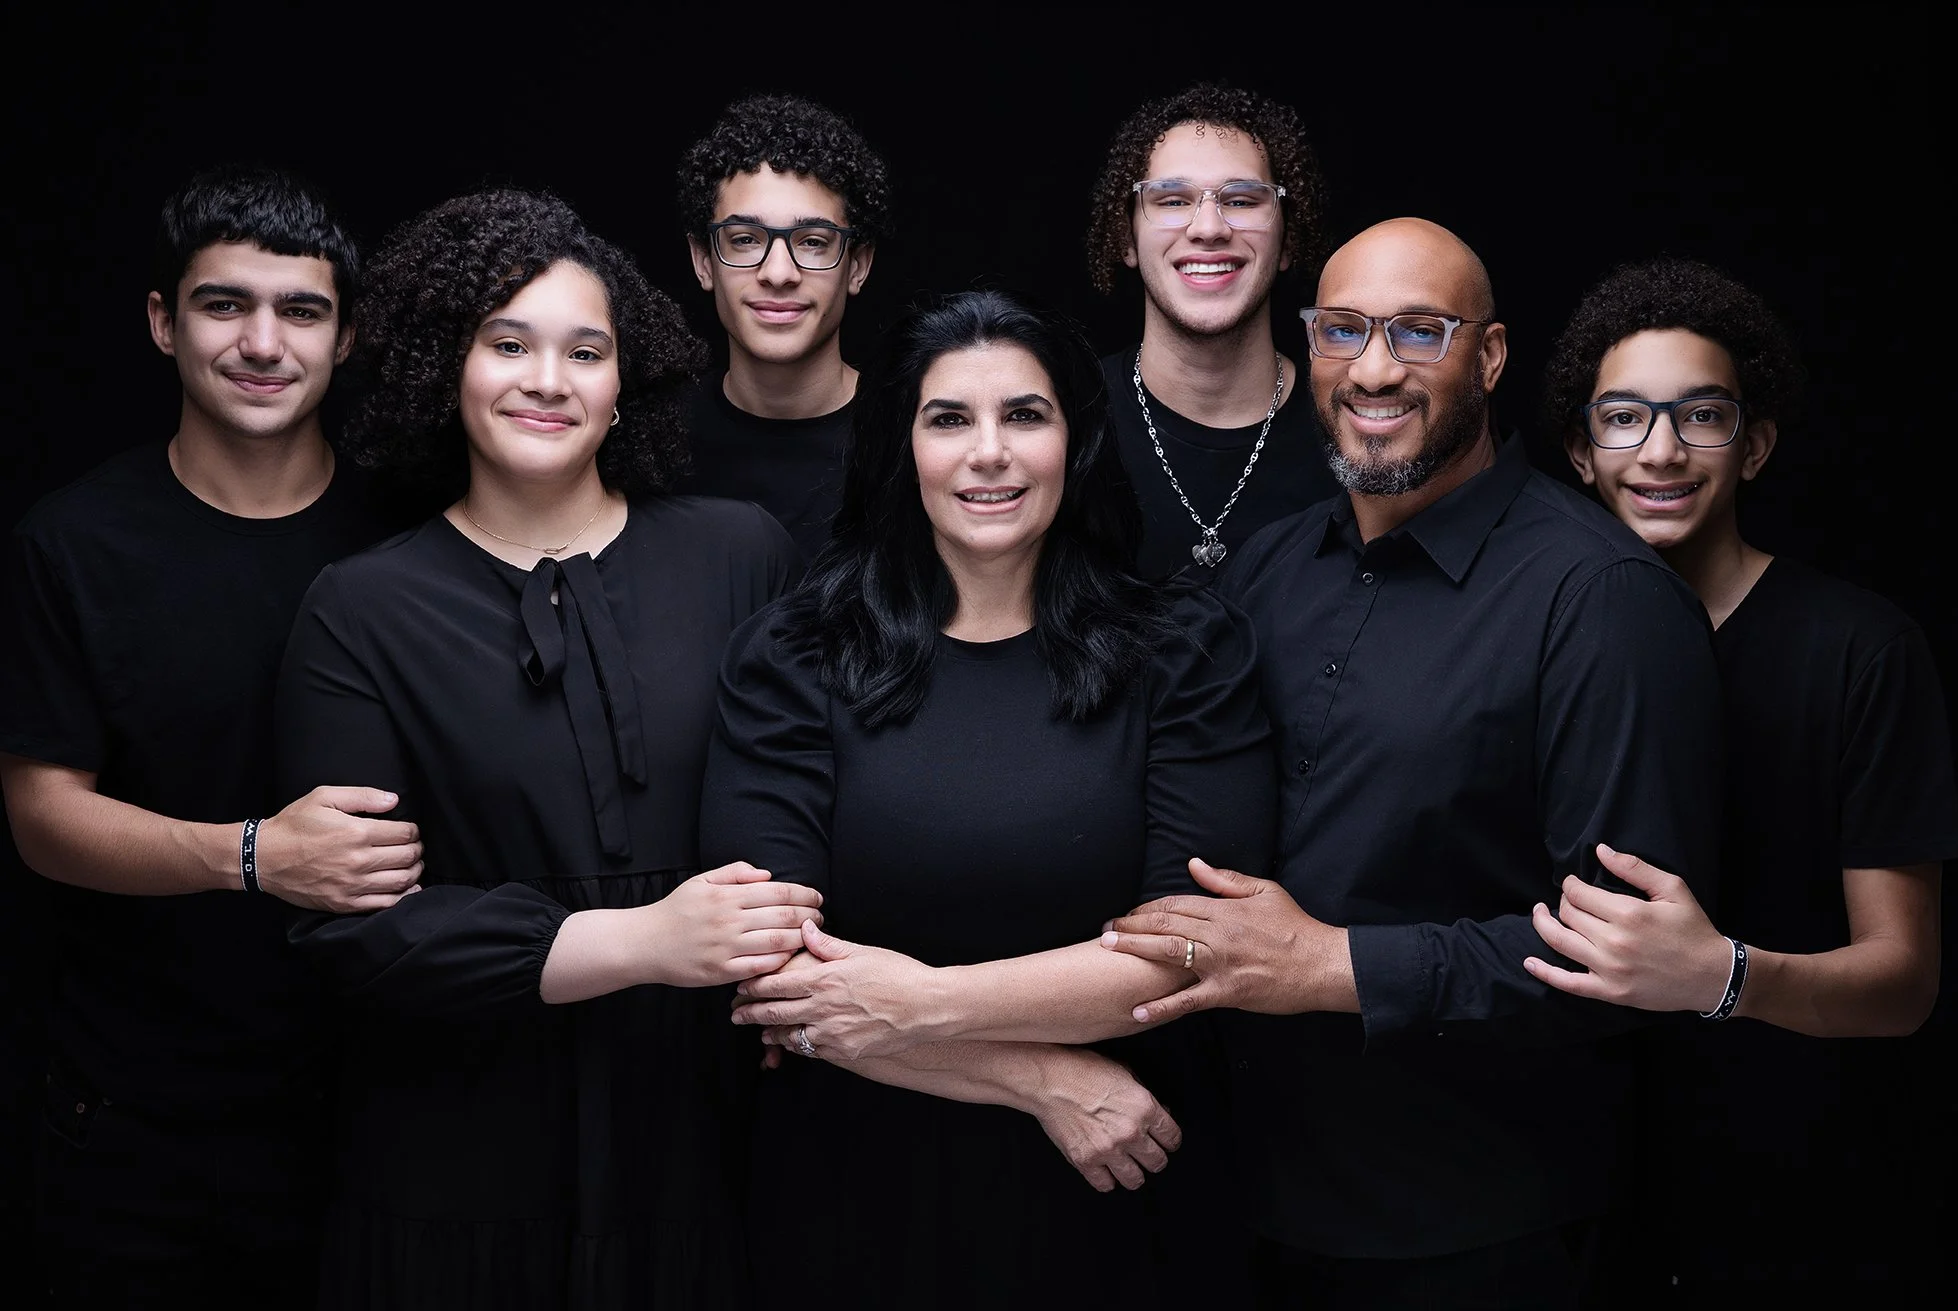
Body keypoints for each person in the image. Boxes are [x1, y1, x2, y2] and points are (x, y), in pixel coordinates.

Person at [1099, 218, 1726, 1310]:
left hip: (1473, 1232)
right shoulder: (1266, 568)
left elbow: (1630, 965)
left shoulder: (1601, 601)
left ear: (1488, 358)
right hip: (1234, 1202)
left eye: (1418, 333)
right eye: (1342, 331)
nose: (1374, 369)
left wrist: (1333, 966)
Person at [273, 188, 815, 1310]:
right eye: (507, 344)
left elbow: (814, 801)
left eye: (586, 350)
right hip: (457, 1140)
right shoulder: (360, 607)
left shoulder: (739, 555)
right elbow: (362, 936)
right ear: (443, 369)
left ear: (626, 386)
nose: (548, 381)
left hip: (702, 1125)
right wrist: (643, 938)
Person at [697, 288, 1276, 1306]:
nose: (989, 452)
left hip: (1119, 1199)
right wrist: (1042, 1077)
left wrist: (921, 1004)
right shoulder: (794, 656)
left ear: (1075, 442)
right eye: (948, 418)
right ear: (897, 448)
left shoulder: (1185, 651)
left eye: (1025, 414)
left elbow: (1193, 950)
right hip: (857, 1198)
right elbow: (780, 981)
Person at [0, 164, 419, 1309]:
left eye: (302, 310)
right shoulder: (74, 543)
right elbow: (41, 814)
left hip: (376, 1109)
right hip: (139, 1121)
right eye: (224, 304)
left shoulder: (413, 530)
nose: (262, 342)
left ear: (346, 339)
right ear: (162, 322)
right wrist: (254, 857)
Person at [1530, 255, 1958, 1303]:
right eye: (1623, 419)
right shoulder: (1535, 639)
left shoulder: (1859, 647)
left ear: (1755, 444)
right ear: (1583, 454)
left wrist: (1722, 976)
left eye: (1703, 417)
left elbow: (1902, 984)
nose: (1662, 451)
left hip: (1794, 1191)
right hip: (1564, 1186)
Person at [1085, 81, 1340, 578]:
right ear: (1127, 239)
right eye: (1172, 199)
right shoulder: (1069, 420)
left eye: (1242, 200)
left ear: (1287, 240)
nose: (1208, 227)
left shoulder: (1353, 427)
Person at [673, 92, 892, 562]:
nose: (778, 273)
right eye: (745, 239)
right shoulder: (658, 446)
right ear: (703, 260)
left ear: (858, 265)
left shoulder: (909, 435)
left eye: (813, 241)